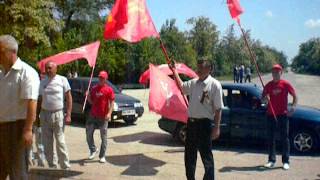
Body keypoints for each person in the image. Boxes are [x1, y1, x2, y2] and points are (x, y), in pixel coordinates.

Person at [172, 60, 224, 180]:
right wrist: (174, 71)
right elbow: (181, 87)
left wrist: (216, 128)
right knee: (189, 157)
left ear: (209, 69)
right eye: (198, 67)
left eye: (201, 68)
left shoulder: (215, 85)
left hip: (204, 125)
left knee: (207, 158)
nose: (198, 70)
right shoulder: (194, 83)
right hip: (191, 124)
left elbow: (218, 109)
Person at [0, 35, 40, 179]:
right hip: (2, 127)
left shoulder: (27, 73)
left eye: (1, 52)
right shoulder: (1, 73)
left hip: (17, 129)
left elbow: (32, 102)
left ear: (13, 52)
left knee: (17, 173)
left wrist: (28, 129)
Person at [262, 64, 297, 170]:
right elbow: (262, 100)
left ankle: (286, 161)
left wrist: (293, 107)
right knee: (271, 138)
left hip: (283, 114)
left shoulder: (285, 84)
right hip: (271, 114)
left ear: (281, 73)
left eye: (277, 72)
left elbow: (295, 96)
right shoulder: (268, 85)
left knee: (284, 138)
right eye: (273, 72)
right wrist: (265, 99)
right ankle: (271, 160)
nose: (275, 74)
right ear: (272, 73)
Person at [39, 61, 72, 169]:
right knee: (47, 143)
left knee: (60, 141)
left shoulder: (62, 80)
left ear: (56, 69)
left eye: (50, 68)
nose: (48, 70)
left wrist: (68, 114)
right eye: (46, 68)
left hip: (58, 114)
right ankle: (52, 165)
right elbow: (39, 99)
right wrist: (36, 115)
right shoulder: (43, 82)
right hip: (44, 114)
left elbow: (69, 98)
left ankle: (65, 166)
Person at [86, 71, 115, 163]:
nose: (100, 79)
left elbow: (112, 103)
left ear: (106, 79)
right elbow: (91, 102)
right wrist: (88, 97)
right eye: (99, 77)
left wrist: (109, 113)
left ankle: (102, 156)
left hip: (103, 116)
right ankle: (93, 149)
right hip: (93, 115)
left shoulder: (109, 90)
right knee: (88, 134)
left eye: (102, 78)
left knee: (104, 136)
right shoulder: (94, 89)